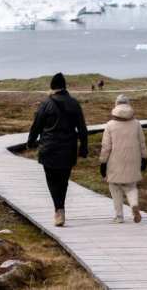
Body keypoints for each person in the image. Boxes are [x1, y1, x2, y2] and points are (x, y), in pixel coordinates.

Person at [27, 73, 88, 227]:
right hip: (68, 149)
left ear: (52, 87)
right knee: (63, 181)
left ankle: (59, 210)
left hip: (49, 148)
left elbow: (36, 125)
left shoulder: (45, 103)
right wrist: (83, 150)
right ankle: (60, 208)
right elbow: (82, 129)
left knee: (52, 180)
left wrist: (30, 143)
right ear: (65, 87)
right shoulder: (74, 104)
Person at [99, 95, 147, 224]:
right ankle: (134, 205)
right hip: (133, 160)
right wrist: (144, 158)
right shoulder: (136, 123)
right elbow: (142, 143)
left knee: (115, 187)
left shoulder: (110, 125)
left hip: (114, 161)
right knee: (131, 186)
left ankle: (119, 216)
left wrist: (103, 162)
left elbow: (106, 147)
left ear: (115, 106)